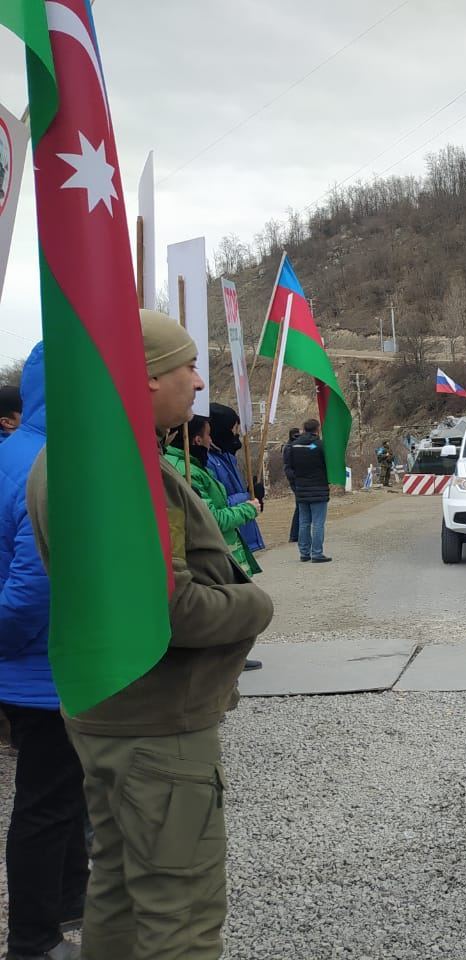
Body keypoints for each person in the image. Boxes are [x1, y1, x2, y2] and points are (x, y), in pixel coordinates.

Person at [27, 311, 274, 960]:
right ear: (141, 380)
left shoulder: (66, 454)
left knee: (116, 892)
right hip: (156, 723)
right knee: (180, 914)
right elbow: (176, 610)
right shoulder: (125, 468)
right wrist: (256, 606)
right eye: (184, 367)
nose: (198, 382)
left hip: (106, 709)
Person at [0, 343, 87, 960]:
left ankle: (66, 906)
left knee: (59, 796)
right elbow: (35, 586)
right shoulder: (52, 461)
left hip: (33, 661)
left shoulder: (15, 451)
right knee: (47, 802)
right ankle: (34, 939)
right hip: (42, 664)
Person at [163, 416, 261, 577]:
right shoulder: (186, 470)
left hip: (222, 550)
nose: (211, 440)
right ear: (197, 439)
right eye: (208, 435)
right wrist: (248, 508)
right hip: (211, 559)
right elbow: (211, 518)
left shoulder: (196, 464)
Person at [205, 402, 265, 555]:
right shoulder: (207, 462)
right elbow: (218, 505)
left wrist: (251, 494)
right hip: (226, 543)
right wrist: (248, 497)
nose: (236, 434)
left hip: (241, 535)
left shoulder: (227, 456)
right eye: (233, 429)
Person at [290, 418, 332, 563]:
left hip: (301, 489)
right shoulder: (320, 446)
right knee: (318, 523)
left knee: (304, 522)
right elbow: (329, 465)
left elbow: (288, 468)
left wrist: (294, 485)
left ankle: (304, 553)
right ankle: (317, 553)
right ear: (317, 429)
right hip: (319, 489)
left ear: (304, 429)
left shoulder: (293, 446)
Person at [283, 426, 301, 543]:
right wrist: (295, 479)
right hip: (296, 480)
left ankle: (296, 534)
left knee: (300, 506)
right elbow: (288, 467)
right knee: (300, 506)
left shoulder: (293, 446)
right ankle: (294, 535)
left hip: (296, 479)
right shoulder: (290, 447)